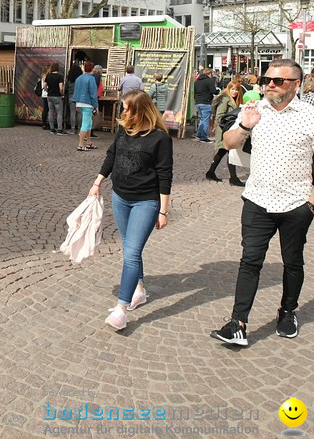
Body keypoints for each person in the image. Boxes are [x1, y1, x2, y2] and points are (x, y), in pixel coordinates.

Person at [210, 58, 314, 346]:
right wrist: (245, 125)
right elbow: (229, 143)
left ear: (295, 84)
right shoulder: (254, 110)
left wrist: (312, 206)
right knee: (250, 261)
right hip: (257, 200)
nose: (269, 84)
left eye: (277, 80)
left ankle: (287, 311)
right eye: (267, 79)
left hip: (296, 204)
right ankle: (238, 323)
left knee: (292, 262)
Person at [89, 91, 173, 331]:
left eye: (126, 108)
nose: (123, 112)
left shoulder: (160, 139)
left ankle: (121, 310)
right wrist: (97, 183)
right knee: (130, 249)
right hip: (120, 197)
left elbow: (165, 175)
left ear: (140, 109)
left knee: (132, 253)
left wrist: (163, 211)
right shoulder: (124, 130)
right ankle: (139, 290)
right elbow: (111, 156)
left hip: (145, 202)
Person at [205, 77, 244, 186]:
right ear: (228, 89)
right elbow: (220, 116)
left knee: (222, 152)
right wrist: (230, 124)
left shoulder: (235, 100)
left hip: (230, 130)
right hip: (224, 131)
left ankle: (210, 172)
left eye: (236, 89)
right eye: (232, 89)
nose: (234, 91)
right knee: (231, 152)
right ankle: (233, 178)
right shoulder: (224, 100)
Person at [71, 60, 100, 152]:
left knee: (88, 123)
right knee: (86, 123)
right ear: (92, 68)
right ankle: (80, 144)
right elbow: (93, 94)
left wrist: (76, 102)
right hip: (88, 103)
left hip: (79, 102)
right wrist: (96, 106)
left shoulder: (79, 78)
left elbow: (76, 91)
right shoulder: (91, 79)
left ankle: (88, 142)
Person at [192, 67, 217, 143]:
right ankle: (203, 137)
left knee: (202, 120)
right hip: (206, 102)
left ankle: (199, 135)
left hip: (198, 102)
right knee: (205, 120)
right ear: (209, 74)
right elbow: (213, 91)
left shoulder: (197, 81)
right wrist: (217, 91)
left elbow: (195, 92)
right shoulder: (209, 81)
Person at [43, 62, 67, 134]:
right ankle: (59, 129)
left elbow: (44, 86)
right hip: (57, 96)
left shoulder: (48, 76)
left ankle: (52, 129)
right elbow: (61, 88)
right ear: (58, 68)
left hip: (49, 96)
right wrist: (62, 93)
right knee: (59, 113)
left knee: (50, 111)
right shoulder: (60, 76)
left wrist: (48, 90)